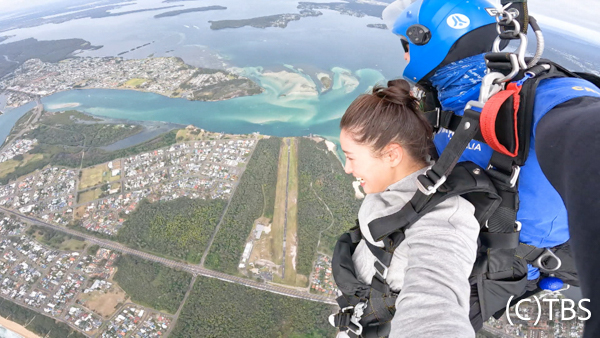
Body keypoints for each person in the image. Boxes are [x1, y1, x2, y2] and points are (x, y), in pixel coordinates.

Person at [382, 0, 600, 336]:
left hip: (506, 265)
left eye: (406, 47)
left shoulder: (542, 100)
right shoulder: (446, 102)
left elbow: (585, 131)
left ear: (426, 40)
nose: (406, 58)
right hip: (483, 249)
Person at [336, 79, 480, 337]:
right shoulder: (395, 188)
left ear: (392, 155)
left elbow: (435, 308)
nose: (347, 168)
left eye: (351, 157)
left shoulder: (443, 219)